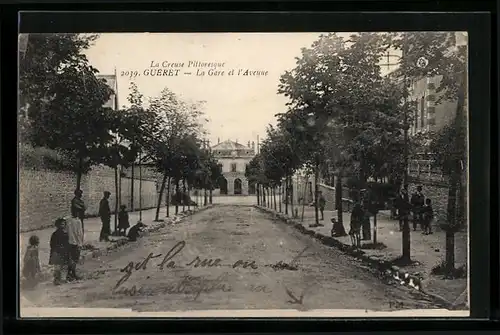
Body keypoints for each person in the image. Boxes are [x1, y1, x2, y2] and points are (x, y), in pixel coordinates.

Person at [49, 218, 70, 285]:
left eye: (63, 224)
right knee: (58, 267)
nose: (62, 226)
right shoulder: (56, 234)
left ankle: (60, 279)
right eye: (61, 224)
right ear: (57, 225)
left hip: (61, 252)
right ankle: (57, 279)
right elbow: (52, 244)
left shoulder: (64, 234)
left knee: (62, 266)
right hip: (57, 252)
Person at [66, 214, 83, 281]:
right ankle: (72, 274)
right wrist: (80, 244)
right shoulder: (78, 221)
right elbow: (79, 233)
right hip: (76, 243)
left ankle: (70, 274)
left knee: (71, 259)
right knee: (75, 259)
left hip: (69, 242)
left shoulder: (67, 220)